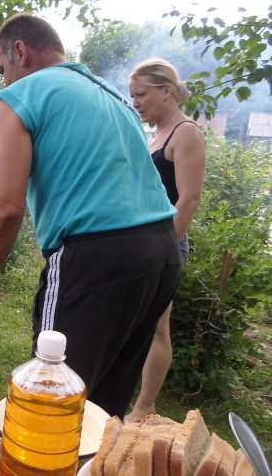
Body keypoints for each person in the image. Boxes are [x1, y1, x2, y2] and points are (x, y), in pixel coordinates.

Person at [0, 13, 183, 420]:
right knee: (100, 406)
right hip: (162, 253)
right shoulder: (112, 96)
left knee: (49, 398)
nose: (3, 81)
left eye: (2, 69)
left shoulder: (20, 95)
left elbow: (5, 207)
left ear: (20, 51)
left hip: (96, 258)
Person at [124, 59, 206, 423]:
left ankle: (145, 406)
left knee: (158, 325)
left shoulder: (186, 133)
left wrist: (165, 250)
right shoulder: (156, 132)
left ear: (166, 91)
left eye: (141, 94)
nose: (136, 102)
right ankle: (126, 395)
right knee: (132, 320)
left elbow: (188, 200)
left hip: (167, 243)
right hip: (142, 241)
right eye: (133, 96)